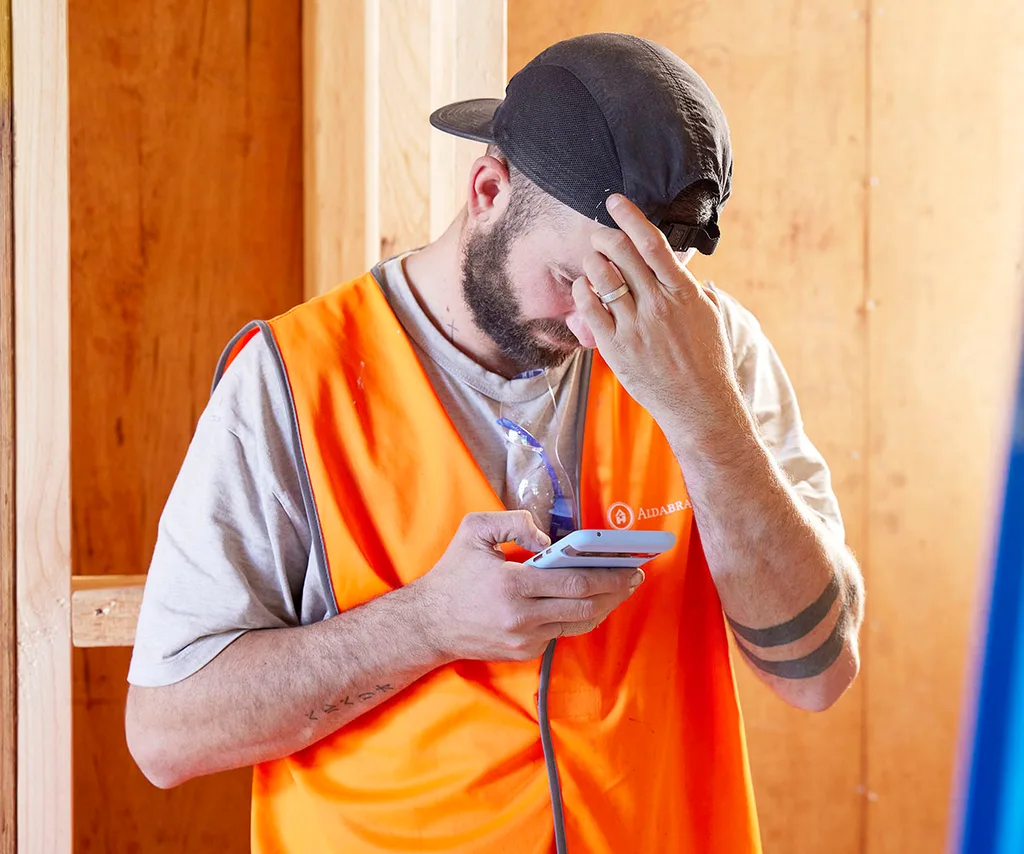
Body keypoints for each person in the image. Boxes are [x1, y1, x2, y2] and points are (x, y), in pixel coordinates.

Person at [126, 32, 864, 854]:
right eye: (574, 280)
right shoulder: (293, 382)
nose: (599, 328)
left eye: (637, 289)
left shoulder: (701, 350)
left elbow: (818, 674)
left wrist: (705, 416)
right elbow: (166, 734)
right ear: (488, 190)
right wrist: (427, 625)